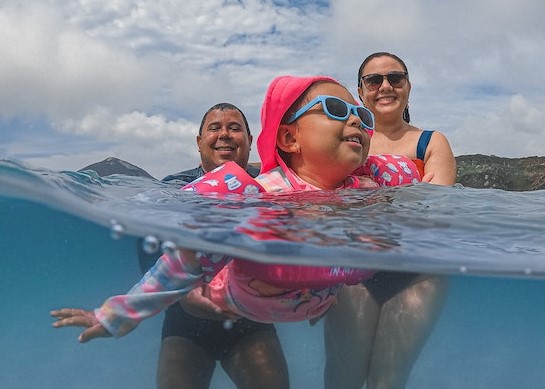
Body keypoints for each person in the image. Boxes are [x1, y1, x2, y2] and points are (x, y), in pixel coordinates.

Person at [50, 75, 422, 338]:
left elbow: (421, 170)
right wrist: (120, 315)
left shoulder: (367, 186)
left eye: (362, 115)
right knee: (208, 267)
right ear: (290, 137)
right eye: (337, 109)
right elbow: (185, 261)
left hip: (311, 301)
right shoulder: (257, 194)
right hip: (235, 296)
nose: (356, 117)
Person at [323, 52, 457, 389]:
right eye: (374, 80)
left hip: (418, 271)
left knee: (388, 381)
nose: (386, 86)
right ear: (360, 90)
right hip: (353, 267)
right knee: (343, 376)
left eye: (395, 78)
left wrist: (369, 198)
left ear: (408, 87)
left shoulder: (432, 141)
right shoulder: (343, 139)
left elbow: (436, 207)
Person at [139, 102, 290, 389]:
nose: (225, 135)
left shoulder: (270, 189)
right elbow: (148, 246)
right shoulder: (175, 188)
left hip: (250, 322)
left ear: (250, 141)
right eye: (215, 128)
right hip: (186, 322)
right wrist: (181, 293)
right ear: (199, 142)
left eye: (235, 128)